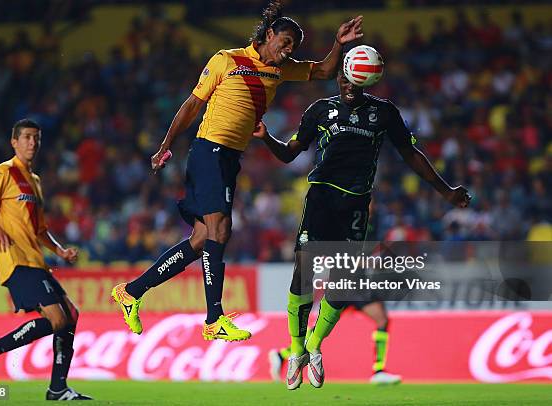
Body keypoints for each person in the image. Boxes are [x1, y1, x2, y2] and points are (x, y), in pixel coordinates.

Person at [111, 0, 364, 342]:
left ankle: (131, 292)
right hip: (209, 150)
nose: (288, 52)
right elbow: (192, 105)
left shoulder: (278, 69)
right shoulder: (226, 59)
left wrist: (340, 43)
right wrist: (165, 144)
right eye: (285, 43)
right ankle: (213, 318)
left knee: (202, 239)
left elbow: (321, 70)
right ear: (270, 33)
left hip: (229, 157)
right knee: (221, 229)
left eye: (293, 48)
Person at [254, 60, 471, 389]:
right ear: (339, 77)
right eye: (344, 76)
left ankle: (314, 346)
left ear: (366, 79)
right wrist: (267, 137)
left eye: (355, 78)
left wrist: (445, 191)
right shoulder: (320, 110)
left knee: (342, 288)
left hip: (356, 205)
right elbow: (289, 154)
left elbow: (410, 154)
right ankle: (296, 350)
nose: (348, 83)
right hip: (322, 199)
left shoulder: (383, 113)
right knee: (304, 275)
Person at [0, 119, 91, 401]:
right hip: (16, 259)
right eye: (26, 137)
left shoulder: (34, 182)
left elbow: (40, 230)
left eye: (36, 138)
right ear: (14, 141)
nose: (32, 143)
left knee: (71, 316)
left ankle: (58, 388)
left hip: (35, 261)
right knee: (58, 319)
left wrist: (60, 251)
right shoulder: (4, 171)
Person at [268, 302, 402, 385]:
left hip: (360, 285)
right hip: (345, 283)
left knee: (382, 320)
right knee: (322, 328)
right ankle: (283, 354)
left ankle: (378, 371)